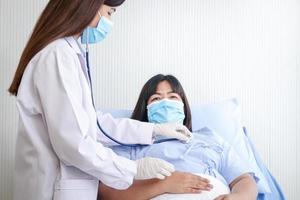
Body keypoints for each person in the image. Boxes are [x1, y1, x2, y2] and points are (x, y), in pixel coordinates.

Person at [8, 1, 198, 200]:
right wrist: (133, 168)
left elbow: (93, 124)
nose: (109, 20)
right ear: (87, 7)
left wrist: (153, 130)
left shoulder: (68, 54)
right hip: (52, 189)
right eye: (109, 12)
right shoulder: (57, 56)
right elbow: (73, 144)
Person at [99, 74, 258, 200]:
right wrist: (163, 185)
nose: (165, 103)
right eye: (156, 99)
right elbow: (107, 194)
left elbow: (243, 179)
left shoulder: (210, 139)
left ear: (183, 106)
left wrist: (238, 197)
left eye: (173, 97)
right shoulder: (128, 143)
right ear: (146, 109)